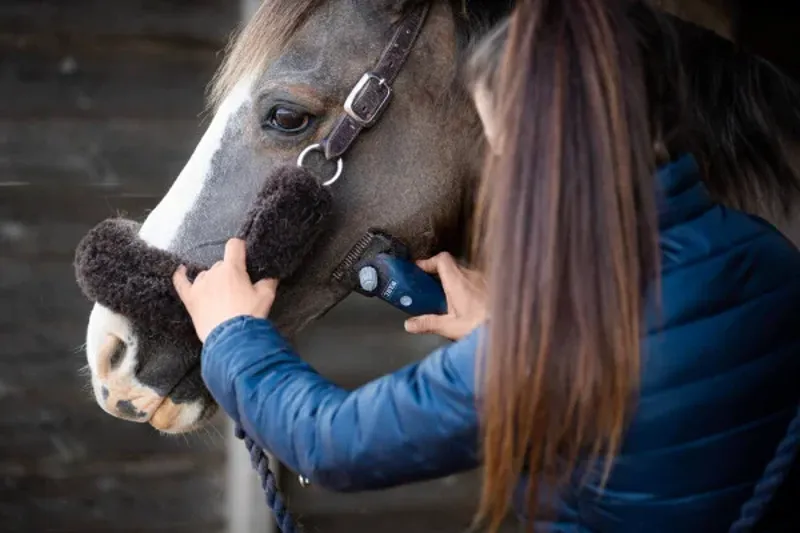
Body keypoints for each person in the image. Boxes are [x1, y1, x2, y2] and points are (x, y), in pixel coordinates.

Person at [172, 0, 800, 531]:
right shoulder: (768, 255)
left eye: (499, 143)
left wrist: (234, 336)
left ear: (546, 145)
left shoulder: (550, 340)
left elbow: (331, 445)